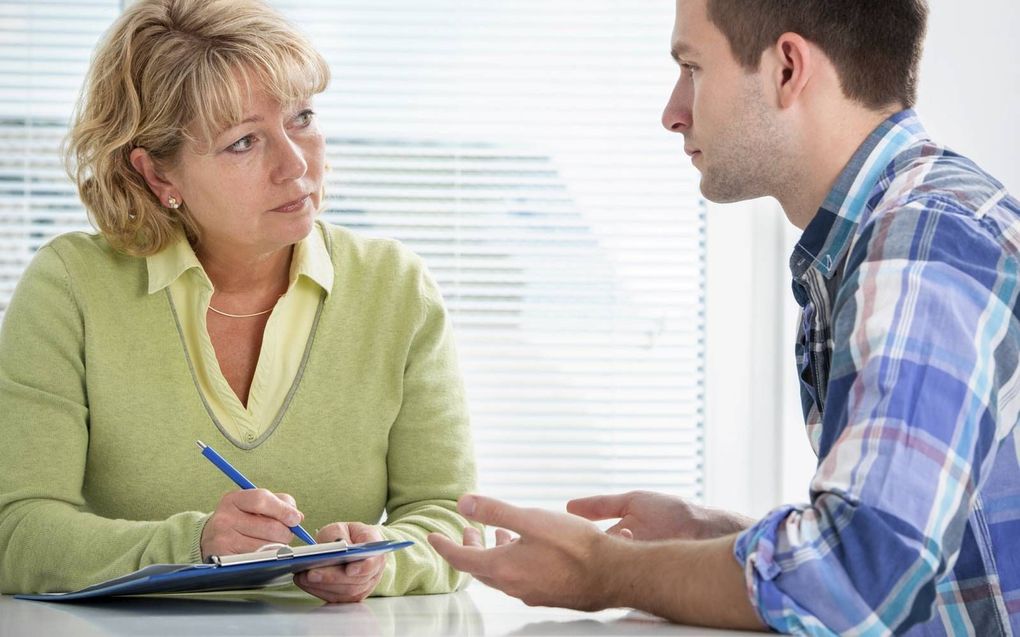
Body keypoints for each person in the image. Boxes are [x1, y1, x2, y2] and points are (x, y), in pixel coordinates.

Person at [428, 0, 1020, 633]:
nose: (672, 112)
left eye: (692, 67)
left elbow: (857, 578)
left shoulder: (922, 243)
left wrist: (602, 569)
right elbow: (913, 545)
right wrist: (709, 535)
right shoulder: (890, 234)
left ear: (788, 68)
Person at [0, 0, 477, 603]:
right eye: (245, 141)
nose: (296, 163)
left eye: (302, 117)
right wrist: (195, 545)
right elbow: (14, 534)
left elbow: (452, 520)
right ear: (157, 176)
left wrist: (383, 565)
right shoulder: (71, 284)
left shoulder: (395, 286)